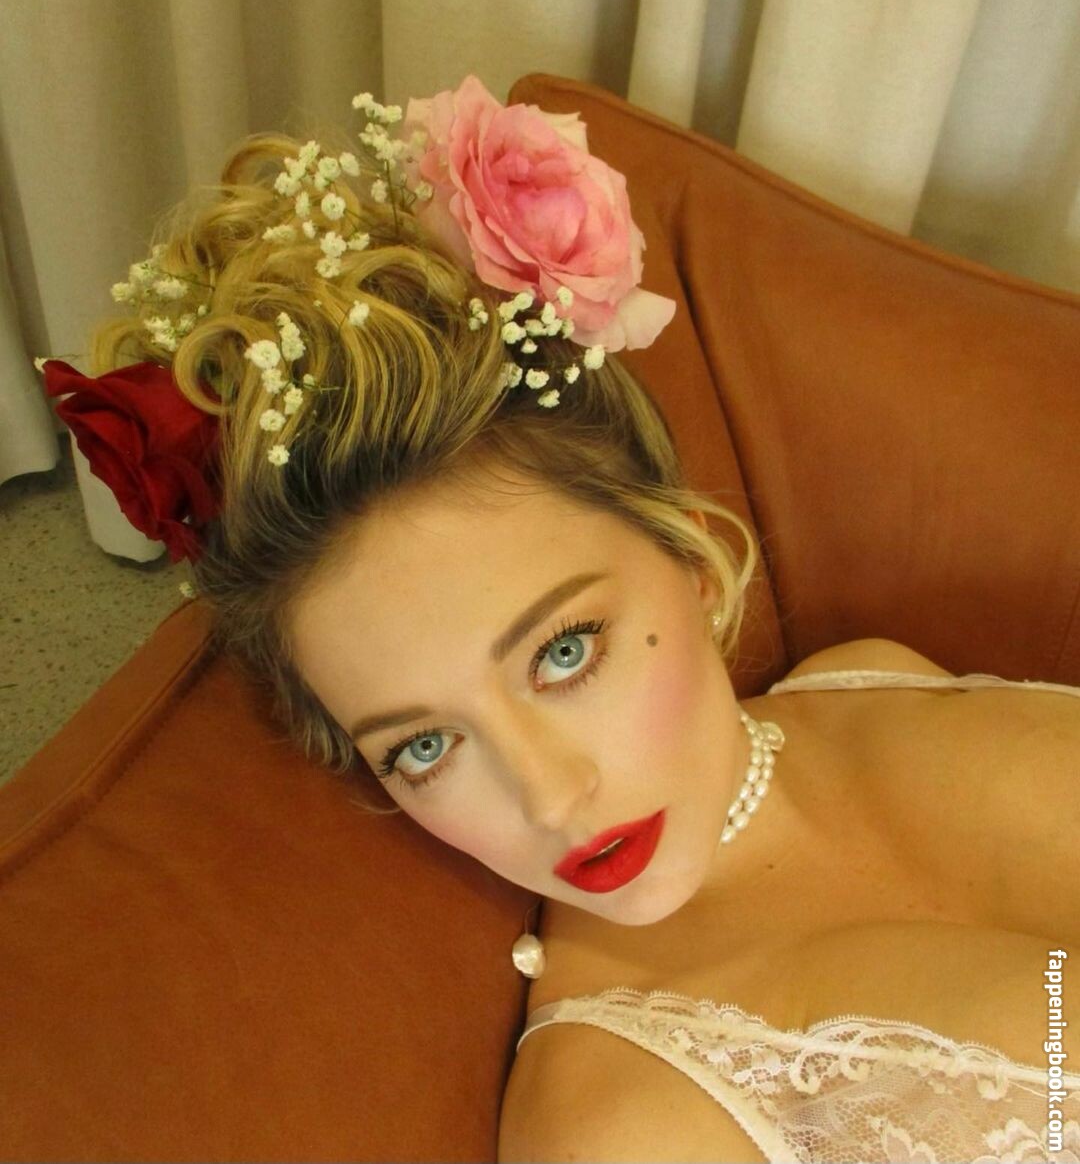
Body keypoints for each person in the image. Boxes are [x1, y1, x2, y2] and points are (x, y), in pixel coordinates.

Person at [37, 75, 1080, 1162]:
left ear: (695, 557)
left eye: (563, 651)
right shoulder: (625, 1124)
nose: (546, 795)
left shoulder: (869, 671)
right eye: (423, 745)